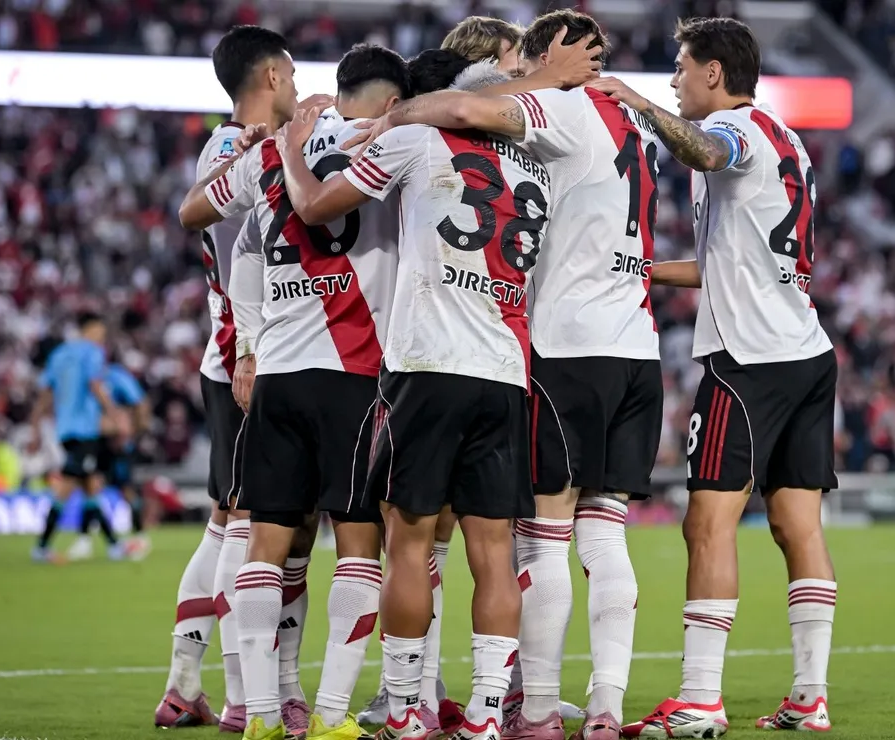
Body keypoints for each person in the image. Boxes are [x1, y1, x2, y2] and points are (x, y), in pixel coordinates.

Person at [352, 11, 656, 740]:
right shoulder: (623, 123)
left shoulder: (502, 120)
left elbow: (455, 112)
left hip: (492, 348)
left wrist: (392, 118)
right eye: (509, 60)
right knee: (546, 540)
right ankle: (522, 707)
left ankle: (425, 701)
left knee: (426, 537)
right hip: (579, 349)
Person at [270, 43, 586, 739]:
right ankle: (483, 717)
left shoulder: (415, 138)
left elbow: (319, 206)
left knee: (408, 542)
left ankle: (408, 712)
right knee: (494, 551)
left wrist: (293, 148)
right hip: (504, 369)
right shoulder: (534, 164)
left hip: (428, 365)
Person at [589, 17, 839, 735]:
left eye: (680, 67)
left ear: (712, 73)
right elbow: (724, 268)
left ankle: (700, 698)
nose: (673, 80)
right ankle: (810, 694)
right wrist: (637, 270)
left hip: (749, 361)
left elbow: (701, 148)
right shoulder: (784, 140)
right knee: (797, 524)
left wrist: (639, 106)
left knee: (707, 523)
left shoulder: (736, 133)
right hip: (804, 350)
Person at [180, 43, 412, 740]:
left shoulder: (275, 146)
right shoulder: (399, 139)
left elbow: (199, 216)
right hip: (354, 377)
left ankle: (254, 714)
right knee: (358, 546)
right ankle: (335, 716)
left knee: (264, 544)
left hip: (277, 375)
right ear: (393, 98)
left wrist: (248, 348)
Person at [155, 24, 300, 734]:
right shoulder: (239, 153)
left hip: (239, 353)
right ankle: (245, 698)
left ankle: (184, 684)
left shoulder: (224, 147)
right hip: (253, 353)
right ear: (270, 77)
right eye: (294, 75)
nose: (299, 87)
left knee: (225, 520)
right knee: (250, 523)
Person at [31, 312, 121, 563]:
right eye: (100, 332)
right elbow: (95, 385)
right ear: (91, 329)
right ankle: (41, 546)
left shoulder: (58, 355)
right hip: (84, 430)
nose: (102, 337)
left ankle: (114, 545)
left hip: (64, 429)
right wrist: (114, 413)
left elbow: (46, 394)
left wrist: (34, 426)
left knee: (91, 486)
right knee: (68, 486)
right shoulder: (92, 352)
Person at [100, 360, 152, 559]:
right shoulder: (92, 377)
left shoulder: (116, 376)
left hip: (119, 443)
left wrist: (134, 433)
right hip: (99, 439)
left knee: (127, 489)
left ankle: (140, 534)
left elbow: (139, 403)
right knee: (91, 485)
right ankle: (86, 537)